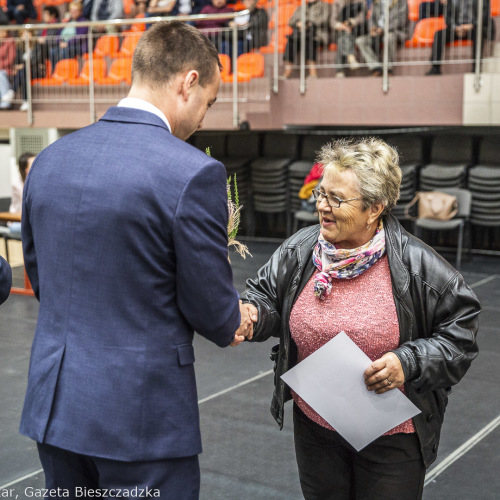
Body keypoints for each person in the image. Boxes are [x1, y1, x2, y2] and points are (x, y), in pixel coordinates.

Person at [20, 20, 256, 499]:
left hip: (56, 406)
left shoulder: (50, 159)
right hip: (140, 418)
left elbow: (40, 275)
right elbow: (212, 309)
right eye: (209, 102)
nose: (205, 119)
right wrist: (238, 315)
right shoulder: (192, 172)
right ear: (188, 82)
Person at [241, 137, 480, 499]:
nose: (322, 206)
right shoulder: (300, 249)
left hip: (392, 440)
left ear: (375, 208)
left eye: (337, 199)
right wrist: (253, 314)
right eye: (321, 194)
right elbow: (268, 297)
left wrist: (408, 362)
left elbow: (460, 337)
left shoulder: (420, 267)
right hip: (315, 427)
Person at [425, 0, 495, 75]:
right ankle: (435, 67)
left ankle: (476, 67)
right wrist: (455, 28)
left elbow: (484, 14)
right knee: (439, 34)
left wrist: (472, 25)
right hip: (457, 28)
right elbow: (448, 16)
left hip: (473, 27)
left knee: (479, 33)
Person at [355, 0, 409, 76]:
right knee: (360, 41)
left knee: (389, 37)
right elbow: (371, 18)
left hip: (395, 31)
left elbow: (401, 20)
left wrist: (384, 29)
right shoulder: (377, 2)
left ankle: (387, 68)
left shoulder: (401, 1)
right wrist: (372, 28)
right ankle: (375, 67)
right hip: (378, 32)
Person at [282, 0, 331, 79]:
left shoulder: (325, 6)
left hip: (317, 35)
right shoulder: (301, 7)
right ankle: (287, 72)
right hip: (300, 34)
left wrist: (307, 23)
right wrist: (298, 23)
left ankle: (313, 73)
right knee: (290, 42)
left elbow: (325, 19)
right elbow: (291, 20)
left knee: (308, 41)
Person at [330, 0, 366, 78]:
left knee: (342, 38)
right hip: (341, 30)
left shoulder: (361, 1)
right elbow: (332, 21)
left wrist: (351, 22)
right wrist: (342, 26)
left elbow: (362, 17)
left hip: (356, 30)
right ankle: (351, 57)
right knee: (344, 35)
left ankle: (340, 71)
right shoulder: (337, 2)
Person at [49, 1, 88, 68]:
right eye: (72, 10)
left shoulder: (83, 22)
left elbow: (79, 37)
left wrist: (67, 43)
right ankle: (55, 72)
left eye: (76, 10)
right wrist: (60, 42)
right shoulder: (67, 21)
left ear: (80, 11)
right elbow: (58, 34)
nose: (73, 12)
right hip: (64, 45)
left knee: (64, 52)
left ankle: (66, 72)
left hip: (77, 46)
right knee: (53, 52)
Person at [8, 152, 35, 233]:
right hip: (16, 222)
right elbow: (30, 201)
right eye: (33, 164)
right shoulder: (16, 184)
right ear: (26, 170)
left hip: (30, 221)